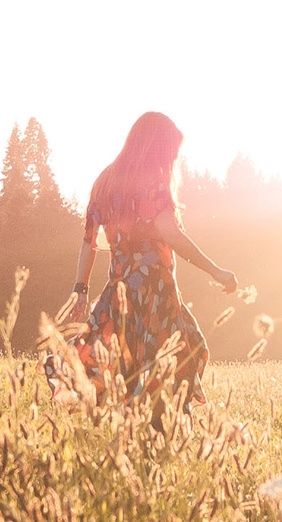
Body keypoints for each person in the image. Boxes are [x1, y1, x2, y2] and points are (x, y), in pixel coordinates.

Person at [51, 112, 239, 408]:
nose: (172, 162)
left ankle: (139, 427)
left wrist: (81, 290)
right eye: (172, 154)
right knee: (180, 356)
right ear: (158, 148)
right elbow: (171, 234)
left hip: (119, 290)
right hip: (155, 291)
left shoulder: (105, 181)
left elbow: (89, 242)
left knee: (125, 362)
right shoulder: (152, 181)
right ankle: (157, 428)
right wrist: (215, 270)